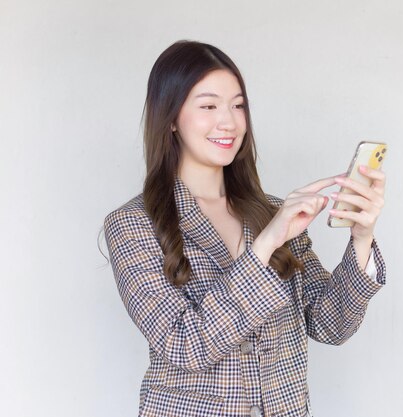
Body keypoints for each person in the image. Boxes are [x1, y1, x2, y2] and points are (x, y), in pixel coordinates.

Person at [103, 40, 386, 417]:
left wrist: (361, 238)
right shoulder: (133, 224)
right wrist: (266, 243)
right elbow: (187, 345)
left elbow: (330, 324)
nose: (229, 122)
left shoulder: (272, 212)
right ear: (171, 118)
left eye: (238, 105)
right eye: (208, 106)